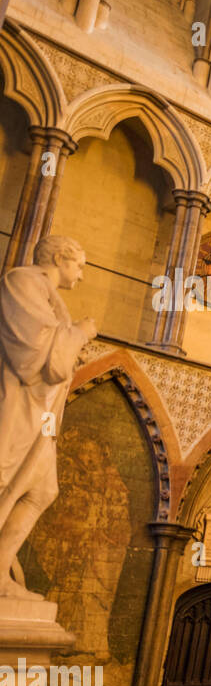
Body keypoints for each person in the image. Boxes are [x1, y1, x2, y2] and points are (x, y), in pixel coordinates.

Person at [0, 236, 96, 600]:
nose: (82, 276)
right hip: (18, 403)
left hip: (43, 412)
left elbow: (55, 359)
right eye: (79, 265)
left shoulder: (47, 295)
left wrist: (72, 347)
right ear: (58, 258)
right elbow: (33, 352)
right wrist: (81, 333)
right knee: (5, 476)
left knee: (42, 490)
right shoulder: (21, 281)